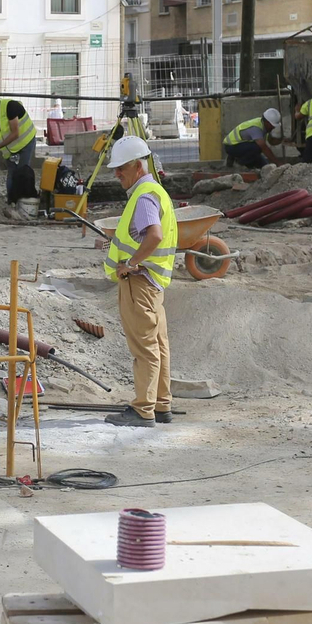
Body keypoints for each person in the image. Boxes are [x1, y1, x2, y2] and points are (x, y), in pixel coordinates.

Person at [102, 135, 176, 428]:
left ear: (137, 166)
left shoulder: (143, 196)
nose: (117, 174)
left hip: (139, 282)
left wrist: (130, 264)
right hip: (153, 282)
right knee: (158, 344)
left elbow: (154, 235)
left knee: (144, 348)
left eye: (121, 168)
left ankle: (143, 409)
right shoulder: (155, 191)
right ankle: (160, 404)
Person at [0, 92, 37, 204]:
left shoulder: (11, 107)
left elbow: (15, 133)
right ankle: (11, 201)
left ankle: (25, 201)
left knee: (23, 172)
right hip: (9, 149)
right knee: (12, 173)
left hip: (26, 142)